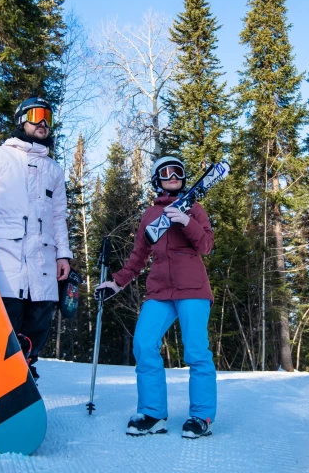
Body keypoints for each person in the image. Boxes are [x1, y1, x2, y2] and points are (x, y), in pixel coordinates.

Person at [95, 155, 217, 439]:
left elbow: (207, 245)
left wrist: (186, 220)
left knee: (196, 351)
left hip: (193, 289)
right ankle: (153, 413)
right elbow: (138, 257)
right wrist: (117, 283)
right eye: (166, 172)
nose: (173, 176)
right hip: (160, 290)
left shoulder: (194, 208)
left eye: (178, 171)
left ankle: (201, 416)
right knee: (143, 344)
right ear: (156, 179)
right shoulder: (150, 216)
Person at [0, 96, 72, 380]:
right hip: (5, 258)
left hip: (44, 261)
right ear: (20, 119)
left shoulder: (54, 170)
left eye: (48, 117)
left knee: (39, 320)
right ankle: (2, 377)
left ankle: (26, 374)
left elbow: (58, 217)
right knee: (6, 322)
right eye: (36, 114)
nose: (42, 122)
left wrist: (64, 254)